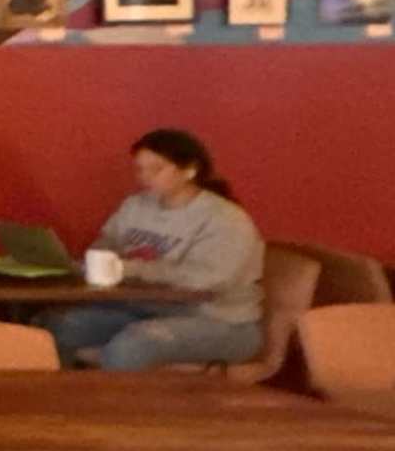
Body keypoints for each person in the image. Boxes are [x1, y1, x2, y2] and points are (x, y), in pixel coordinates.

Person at [51, 129, 265, 371]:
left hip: (220, 322)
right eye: (140, 169)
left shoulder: (225, 220)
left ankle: (116, 408)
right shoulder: (136, 205)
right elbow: (108, 241)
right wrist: (100, 257)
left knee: (133, 345)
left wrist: (131, 269)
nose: (145, 177)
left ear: (189, 171)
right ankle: (57, 403)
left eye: (156, 169)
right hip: (147, 309)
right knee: (58, 326)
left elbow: (208, 279)